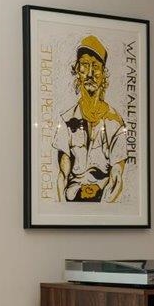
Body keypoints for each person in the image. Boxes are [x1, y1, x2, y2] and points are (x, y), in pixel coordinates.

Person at [51, 35, 127, 203]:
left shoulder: (115, 122)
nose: (91, 73)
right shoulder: (66, 119)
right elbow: (62, 175)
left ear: (104, 73)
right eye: (85, 65)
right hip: (73, 201)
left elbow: (117, 176)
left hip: (103, 200)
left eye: (96, 66)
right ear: (77, 70)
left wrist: (105, 209)